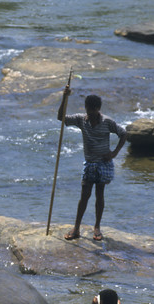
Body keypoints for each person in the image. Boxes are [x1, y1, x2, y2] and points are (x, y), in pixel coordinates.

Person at [58, 88, 126, 241]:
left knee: (99, 195)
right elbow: (61, 117)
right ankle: (76, 228)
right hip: (90, 164)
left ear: (98, 109)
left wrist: (114, 153)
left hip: (103, 163)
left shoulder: (107, 122)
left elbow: (123, 134)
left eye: (93, 111)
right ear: (86, 108)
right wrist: (64, 97)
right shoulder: (81, 119)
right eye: (88, 110)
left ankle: (97, 227)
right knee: (84, 195)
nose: (90, 114)